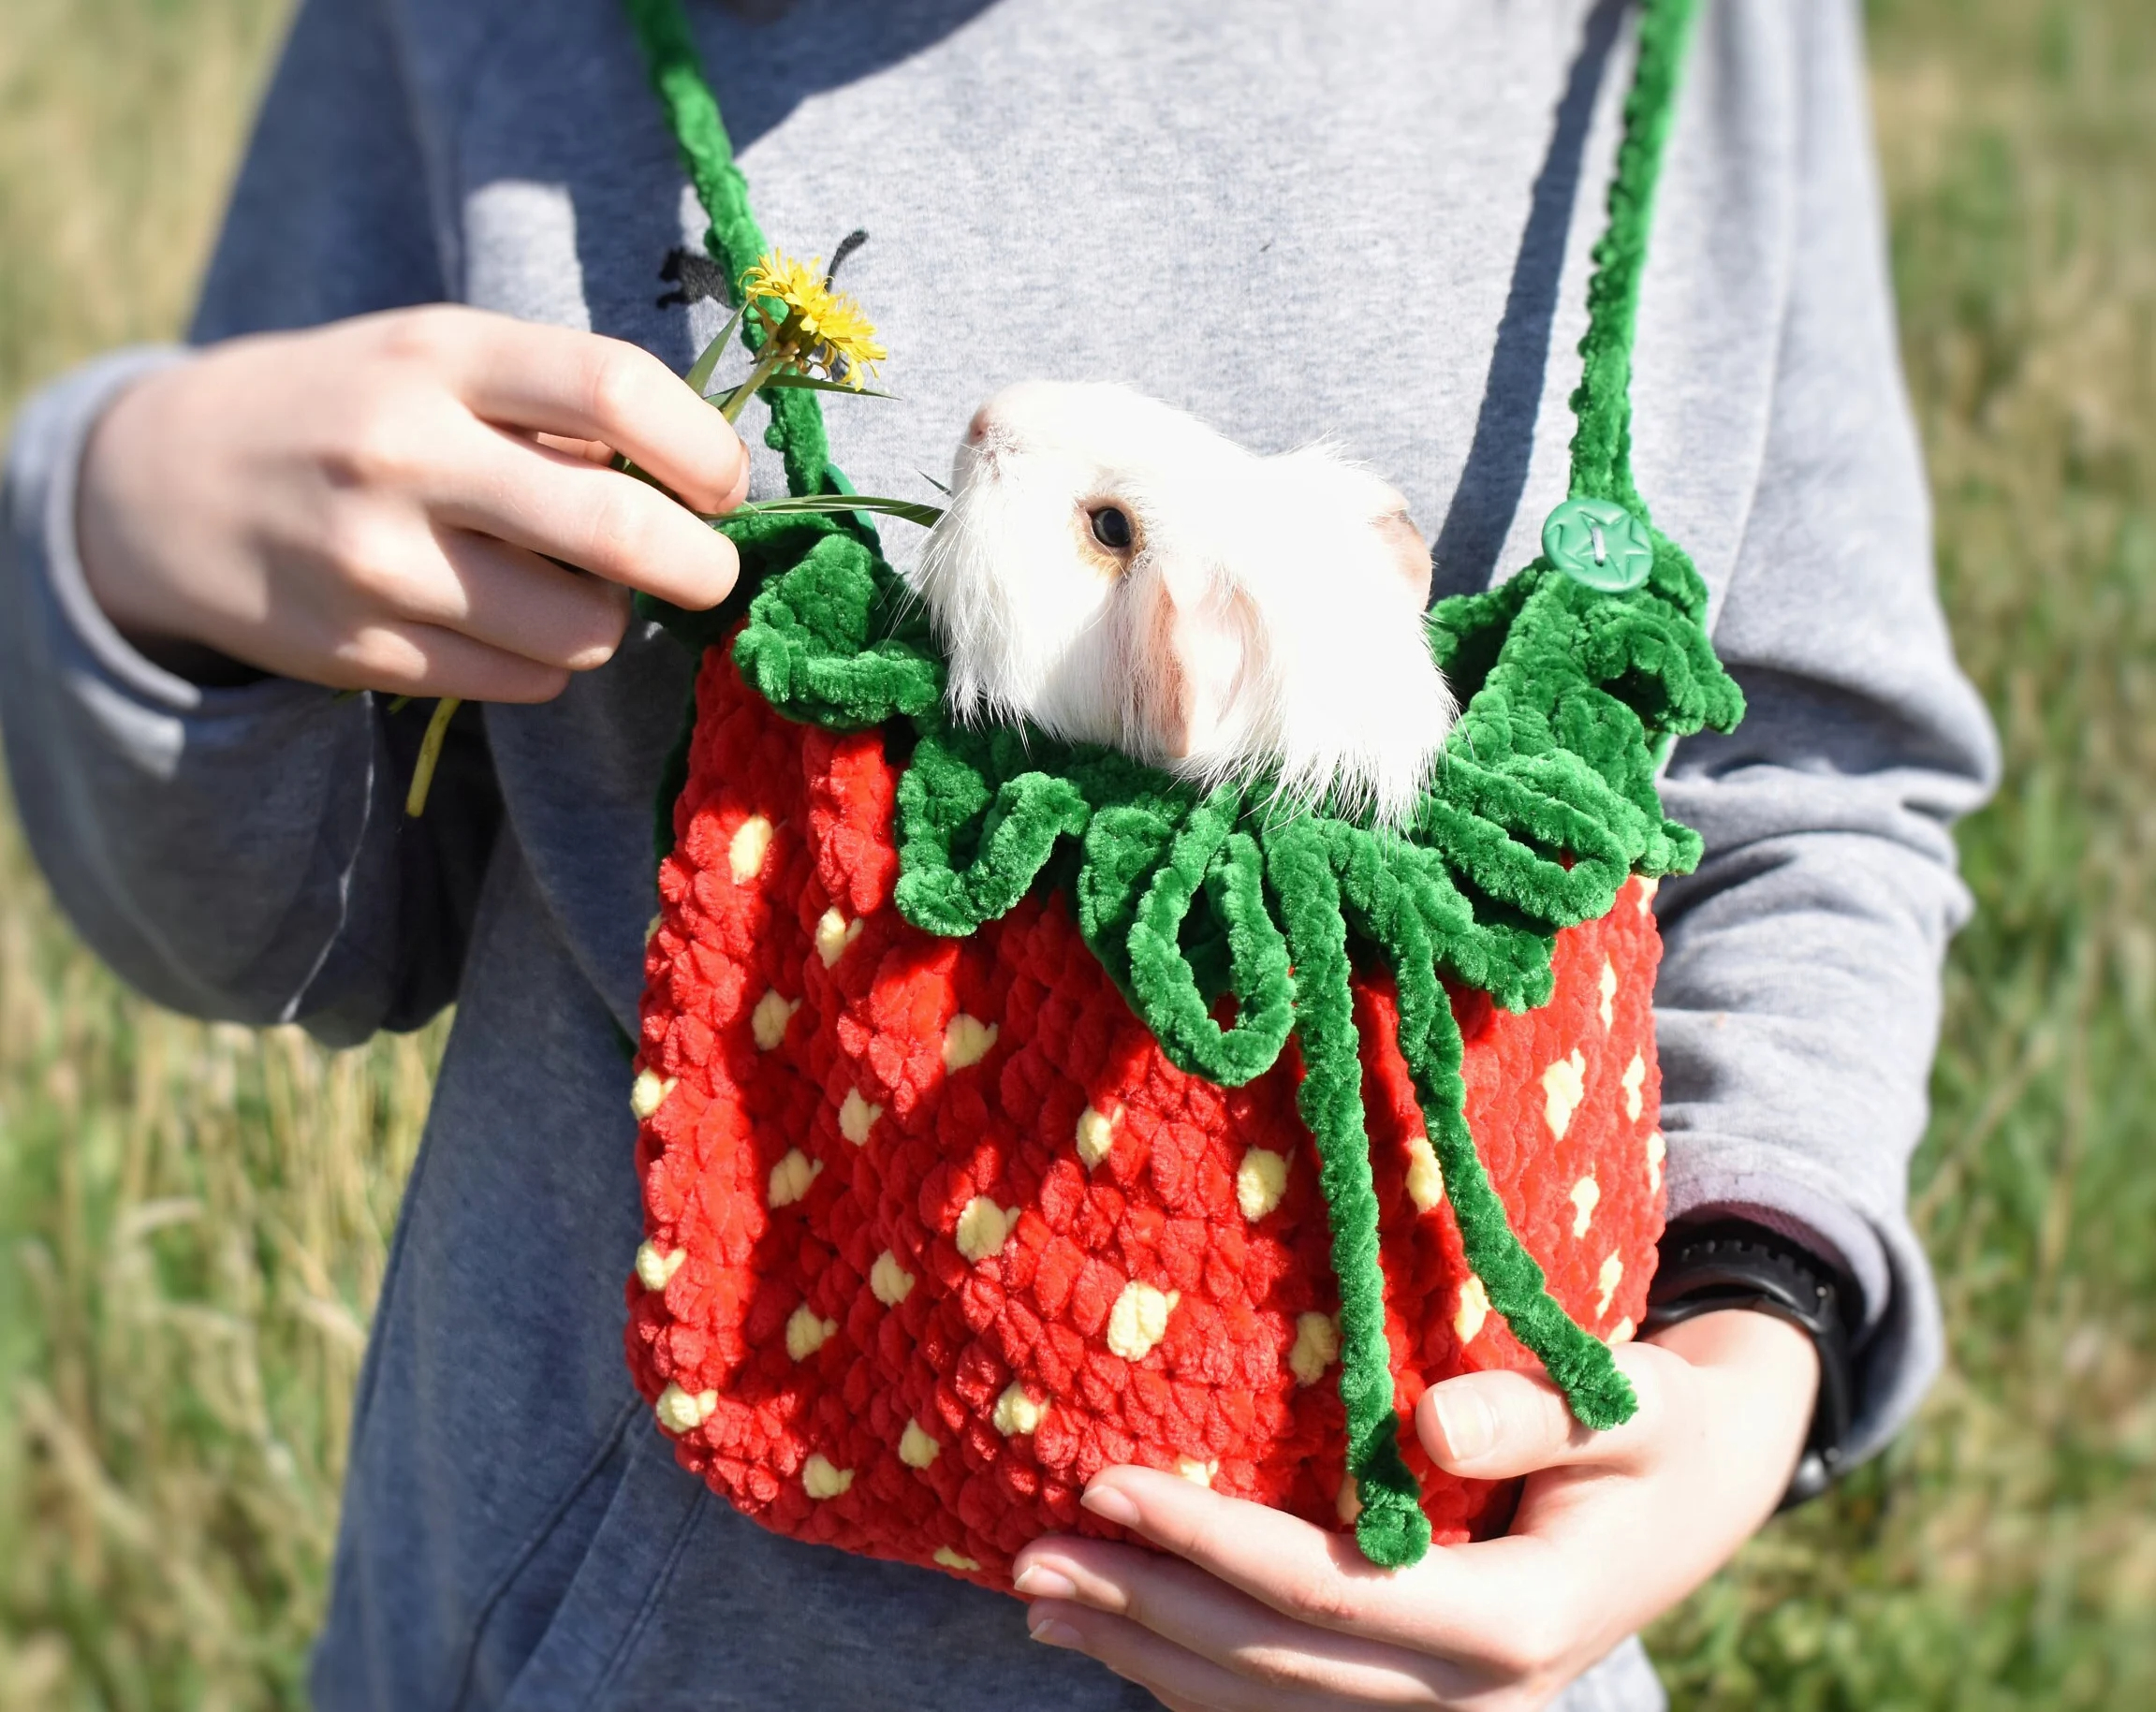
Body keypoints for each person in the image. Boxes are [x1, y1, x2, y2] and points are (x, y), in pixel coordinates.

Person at [0, 0, 1997, 1706]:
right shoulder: (482, 38)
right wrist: (143, 548)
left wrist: (1745, 1348)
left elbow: (1806, 780)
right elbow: (308, 922)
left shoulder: (1697, 46)